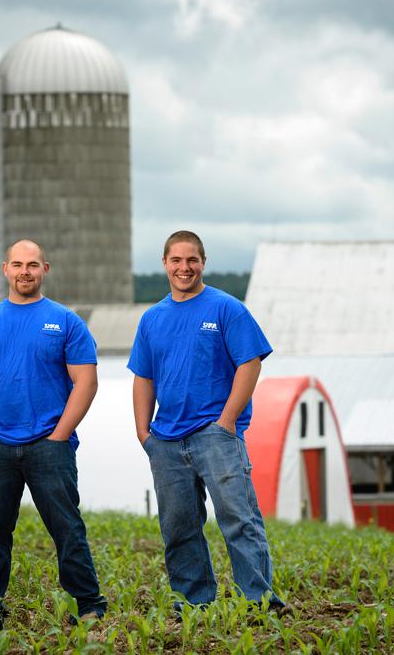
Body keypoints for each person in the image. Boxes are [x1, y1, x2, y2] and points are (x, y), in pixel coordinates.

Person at [0, 239, 107, 628]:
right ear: (5, 269)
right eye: (18, 264)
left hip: (49, 445)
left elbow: (85, 382)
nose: (25, 271)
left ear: (45, 269)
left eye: (33, 265)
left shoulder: (67, 321)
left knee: (67, 528)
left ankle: (88, 603)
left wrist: (59, 436)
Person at [128, 230, 285, 611]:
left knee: (238, 519)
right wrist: (143, 432)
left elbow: (249, 363)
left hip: (215, 435)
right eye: (177, 260)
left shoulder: (226, 309)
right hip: (166, 440)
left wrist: (227, 421)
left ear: (203, 262)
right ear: (165, 263)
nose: (185, 268)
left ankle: (259, 601)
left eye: (192, 260)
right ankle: (194, 601)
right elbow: (143, 377)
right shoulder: (152, 319)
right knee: (179, 527)